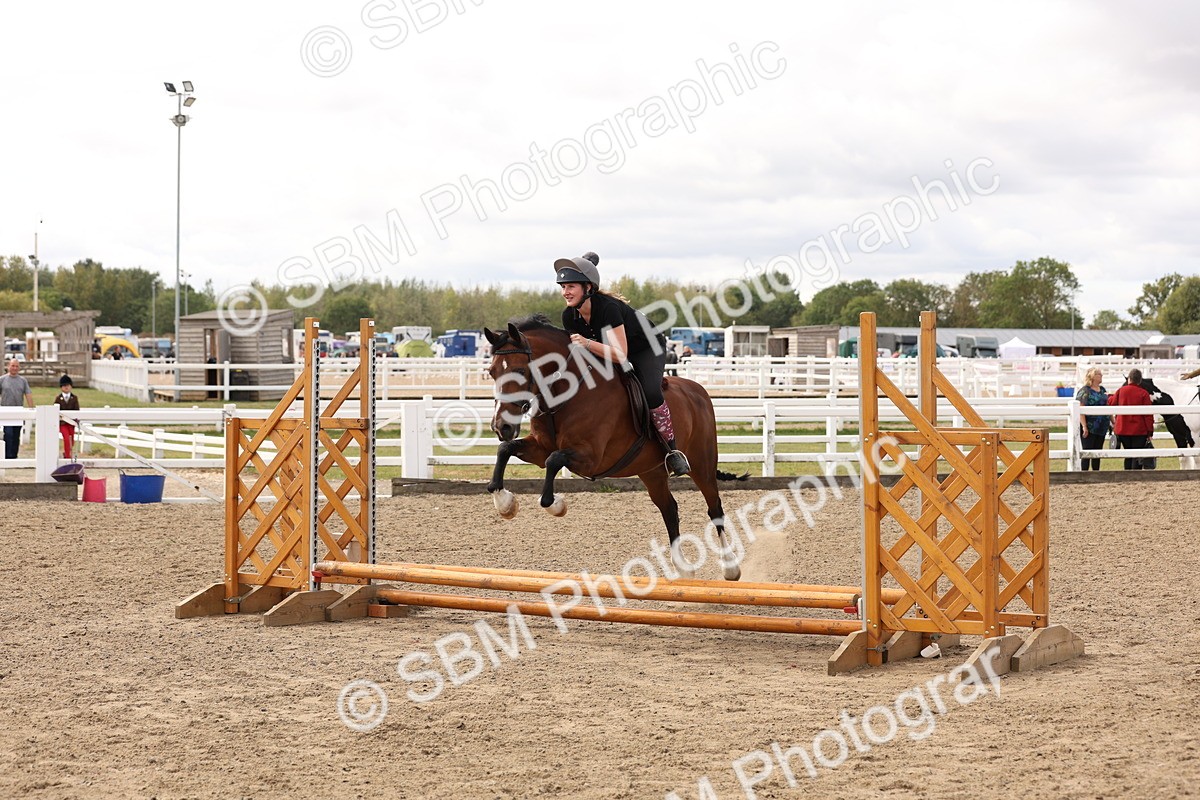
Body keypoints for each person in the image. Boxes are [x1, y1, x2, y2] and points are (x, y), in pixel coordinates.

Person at [555, 251, 690, 476]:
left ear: (588, 288)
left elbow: (620, 354)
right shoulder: (570, 316)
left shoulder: (608, 308)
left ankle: (672, 451)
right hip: (611, 350)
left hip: (646, 347)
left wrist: (587, 343)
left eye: (571, 287)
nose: (565, 292)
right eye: (563, 287)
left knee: (650, 392)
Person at [1107, 368, 1154, 470]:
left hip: (1122, 429)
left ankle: (1127, 475)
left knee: (1128, 454)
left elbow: (1112, 403)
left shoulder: (1121, 391)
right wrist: (1150, 432)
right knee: (1136, 456)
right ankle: (1134, 477)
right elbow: (1148, 415)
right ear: (1139, 380)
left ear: (1129, 379)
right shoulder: (1144, 393)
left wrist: (1109, 396)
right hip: (1139, 430)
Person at [1074, 367, 1110, 471]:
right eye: (1099, 374)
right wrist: (1084, 426)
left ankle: (1096, 472)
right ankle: (1084, 473)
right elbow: (1080, 408)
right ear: (1093, 376)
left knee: (1097, 451)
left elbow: (1107, 405)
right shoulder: (1085, 391)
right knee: (1087, 451)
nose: (1101, 376)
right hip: (1090, 426)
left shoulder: (1102, 390)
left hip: (1102, 427)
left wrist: (1113, 421)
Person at [0, 358, 34, 459]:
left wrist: (31, 408)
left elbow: (28, 394)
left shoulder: (23, 381)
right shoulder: (2, 380)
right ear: (8, 366)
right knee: (8, 434)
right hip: (6, 412)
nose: (14, 368)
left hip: (19, 412)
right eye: (12, 366)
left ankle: (14, 456)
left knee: (16, 435)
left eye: (16, 366)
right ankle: (7, 456)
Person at [54, 375, 81, 459]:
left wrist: (76, 420)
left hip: (71, 423)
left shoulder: (74, 398)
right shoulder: (58, 398)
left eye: (68, 385)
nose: (66, 387)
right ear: (61, 387)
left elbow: (77, 410)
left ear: (71, 386)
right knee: (66, 438)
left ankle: (67, 453)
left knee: (71, 439)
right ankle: (67, 456)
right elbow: (55, 410)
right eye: (64, 385)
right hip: (62, 423)